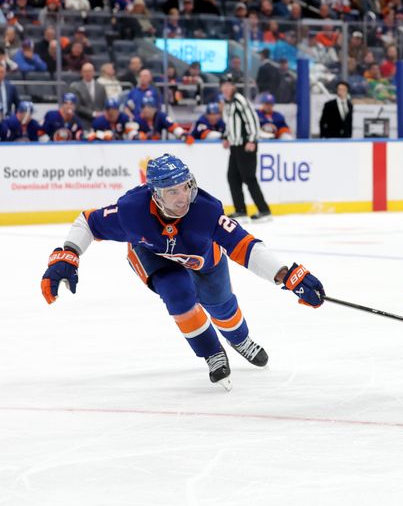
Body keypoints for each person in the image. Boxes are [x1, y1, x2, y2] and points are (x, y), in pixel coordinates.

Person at [40, 154, 325, 390]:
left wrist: (285, 274)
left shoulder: (207, 211)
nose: (183, 197)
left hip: (204, 259)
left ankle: (240, 340)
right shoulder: (132, 210)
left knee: (222, 305)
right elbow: (88, 222)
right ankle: (212, 352)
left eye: (186, 186)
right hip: (153, 256)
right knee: (178, 294)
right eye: (172, 191)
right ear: (155, 194)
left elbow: (245, 246)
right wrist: (68, 253)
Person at [220, 73, 272, 221]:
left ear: (234, 87)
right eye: (223, 85)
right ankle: (241, 210)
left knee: (249, 178)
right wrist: (226, 137)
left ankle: (264, 210)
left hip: (246, 145)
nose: (225, 88)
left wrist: (252, 140)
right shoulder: (228, 103)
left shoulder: (240, 101)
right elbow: (229, 123)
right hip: (235, 146)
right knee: (232, 177)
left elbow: (252, 120)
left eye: (228, 85)